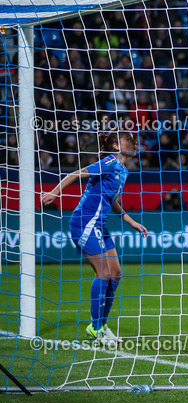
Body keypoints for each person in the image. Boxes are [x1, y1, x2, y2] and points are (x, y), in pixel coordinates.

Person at [42, 130, 147, 347]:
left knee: (116, 273)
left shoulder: (124, 171)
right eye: (129, 140)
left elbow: (113, 200)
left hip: (100, 225)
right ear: (117, 146)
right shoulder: (109, 161)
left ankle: (101, 325)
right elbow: (75, 174)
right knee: (104, 272)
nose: (135, 144)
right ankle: (95, 327)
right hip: (84, 223)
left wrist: (131, 221)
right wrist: (54, 192)